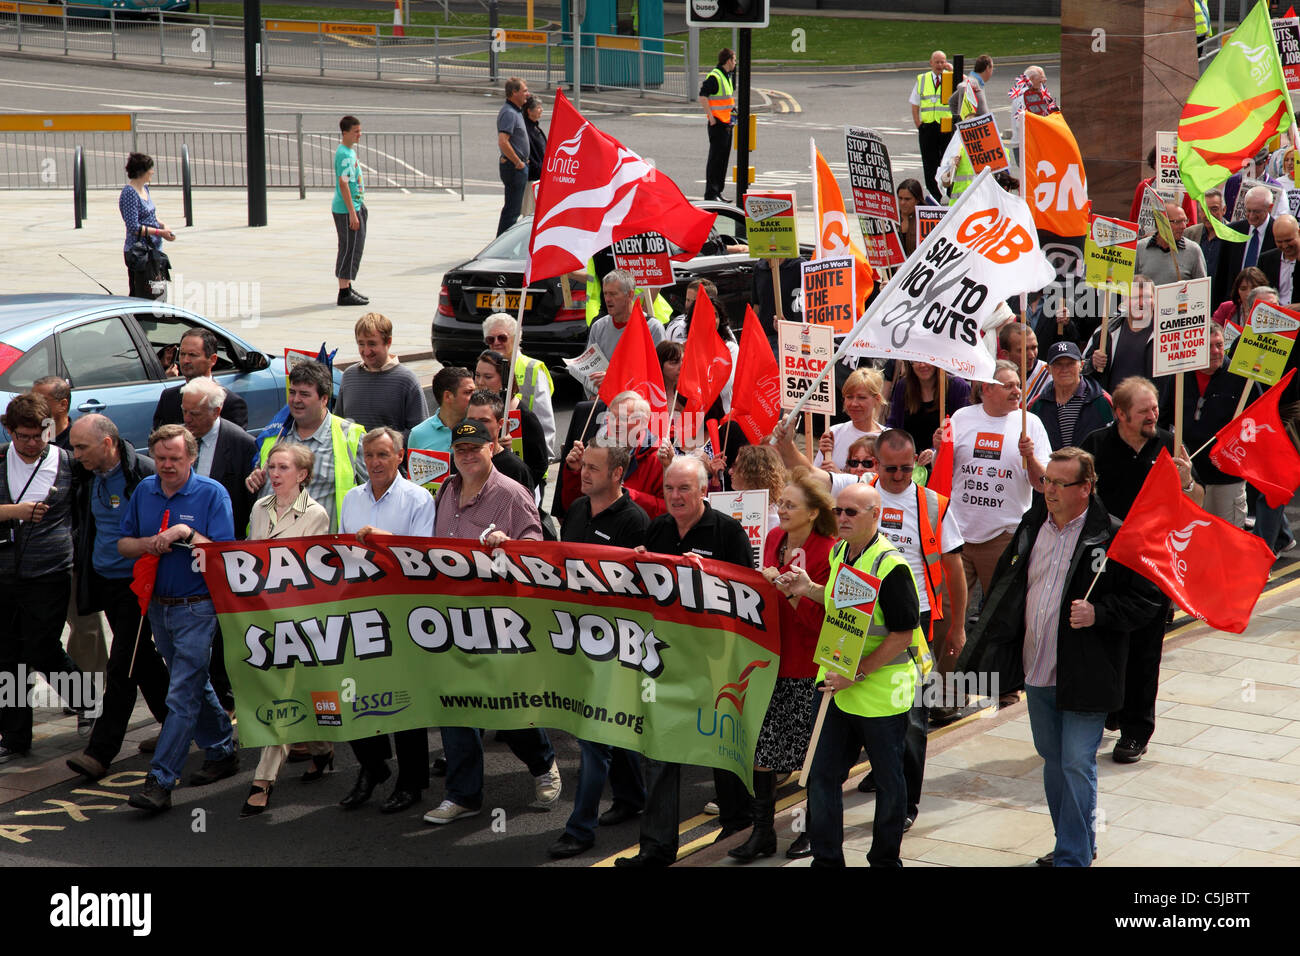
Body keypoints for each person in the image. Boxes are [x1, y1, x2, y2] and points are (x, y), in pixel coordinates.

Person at [958, 447, 1162, 866]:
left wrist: (1099, 613)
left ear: (1085, 488)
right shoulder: (1032, 526)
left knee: (1075, 762)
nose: (1048, 489)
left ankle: (1073, 857)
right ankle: (1075, 842)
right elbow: (1006, 587)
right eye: (1046, 481)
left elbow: (1148, 601)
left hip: (1087, 672)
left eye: (1059, 483)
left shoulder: (1113, 537)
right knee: (1053, 761)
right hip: (1037, 669)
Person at [772, 482, 926, 867]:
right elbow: (844, 603)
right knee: (822, 777)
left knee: (890, 783)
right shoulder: (842, 551)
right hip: (837, 688)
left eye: (851, 512)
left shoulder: (891, 565)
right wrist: (808, 588)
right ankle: (827, 860)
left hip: (879, 694)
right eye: (839, 511)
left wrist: (857, 673)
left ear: (875, 515)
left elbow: (903, 633)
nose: (841, 518)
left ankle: (885, 860)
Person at [615, 456, 756, 866]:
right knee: (660, 748)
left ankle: (739, 829)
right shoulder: (656, 529)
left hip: (715, 662)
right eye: (669, 489)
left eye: (684, 489)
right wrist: (638, 566)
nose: (675, 497)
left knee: (720, 745)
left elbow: (748, 600)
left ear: (704, 490)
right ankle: (656, 848)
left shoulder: (728, 533)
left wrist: (709, 575)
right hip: (665, 659)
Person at [424, 420, 560, 824]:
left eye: (474, 448)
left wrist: (511, 544)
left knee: (506, 709)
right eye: (460, 448)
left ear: (492, 448)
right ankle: (463, 795)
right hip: (452, 617)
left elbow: (537, 548)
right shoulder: (446, 491)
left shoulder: (512, 494)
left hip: (498, 619)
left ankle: (542, 764)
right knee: (456, 704)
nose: (466, 455)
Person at [1080, 377, 1202, 766]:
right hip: (1106, 561)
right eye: (1145, 410)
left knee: (1146, 648)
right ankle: (1111, 710)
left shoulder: (1169, 443)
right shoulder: (1095, 446)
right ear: (1120, 413)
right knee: (1106, 641)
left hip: (1153, 562)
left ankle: (1136, 730)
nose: (1154, 415)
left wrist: (1185, 482)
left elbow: (1194, 500)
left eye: (1155, 408)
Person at [121, 424, 238, 813]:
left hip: (197, 605)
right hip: (158, 605)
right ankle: (222, 748)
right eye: (161, 458)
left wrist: (186, 531)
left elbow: (223, 552)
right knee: (192, 680)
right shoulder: (144, 490)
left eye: (175, 458)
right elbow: (124, 544)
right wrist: (148, 544)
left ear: (191, 457)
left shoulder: (211, 493)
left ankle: (161, 779)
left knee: (181, 692)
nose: (167, 465)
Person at [547, 443, 651, 859]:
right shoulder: (575, 510)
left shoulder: (635, 522)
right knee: (610, 729)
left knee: (593, 735)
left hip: (616, 645)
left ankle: (580, 828)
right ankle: (632, 796)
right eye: (582, 466)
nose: (582, 473)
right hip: (576, 638)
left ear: (618, 474)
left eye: (593, 468)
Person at [728, 471, 835, 863]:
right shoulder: (774, 539)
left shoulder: (828, 550)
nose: (782, 510)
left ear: (812, 513)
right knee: (762, 750)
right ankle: (762, 833)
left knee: (810, 756)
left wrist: (791, 593)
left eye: (791, 505)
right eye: (781, 503)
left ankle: (808, 828)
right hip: (769, 660)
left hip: (807, 665)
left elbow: (820, 620)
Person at [335, 427, 439, 815]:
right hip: (361, 609)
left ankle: (412, 782)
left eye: (382, 455)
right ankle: (373, 766)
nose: (375, 463)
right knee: (357, 695)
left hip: (403, 610)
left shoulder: (418, 499)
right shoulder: (351, 498)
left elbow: (423, 559)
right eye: (369, 455)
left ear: (400, 456)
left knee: (404, 700)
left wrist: (384, 539)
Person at [65, 415, 170, 782]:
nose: (75, 455)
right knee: (143, 661)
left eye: (82, 447)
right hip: (104, 581)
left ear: (107, 444)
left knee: (123, 664)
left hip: (136, 586)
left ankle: (100, 751)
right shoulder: (85, 474)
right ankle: (180, 725)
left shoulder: (141, 473)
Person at [239, 442, 332, 817]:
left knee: (282, 694)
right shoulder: (260, 508)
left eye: (282, 468)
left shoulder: (317, 515)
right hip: (263, 616)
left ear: (302, 475)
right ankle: (323, 750)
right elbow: (248, 553)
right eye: (271, 467)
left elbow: (310, 571)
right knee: (296, 691)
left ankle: (262, 781)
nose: (274, 474)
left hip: (298, 619)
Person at [0, 393, 88, 763]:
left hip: (50, 573)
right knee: (7, 657)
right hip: (5, 575)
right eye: (24, 436)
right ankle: (15, 736)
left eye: (39, 435)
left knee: (42, 647)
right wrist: (13, 511)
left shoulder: (67, 463)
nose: (34, 443)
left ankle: (89, 702)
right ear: (9, 431)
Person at [939, 360, 1049, 599]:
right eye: (1008, 386)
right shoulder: (961, 417)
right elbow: (944, 471)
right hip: (958, 534)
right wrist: (940, 448)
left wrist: (1029, 457)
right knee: (947, 614)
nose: (1017, 391)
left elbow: (1043, 484)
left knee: (998, 617)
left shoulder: (1030, 423)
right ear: (986, 388)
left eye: (1018, 385)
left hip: (1004, 536)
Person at [33, 374, 107, 678]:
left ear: (63, 405)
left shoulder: (80, 443)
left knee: (85, 625)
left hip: (75, 549)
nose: (35, 406)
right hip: (37, 554)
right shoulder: (33, 442)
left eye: (42, 401)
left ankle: (89, 697)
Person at [247, 359, 366, 534]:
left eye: (304, 394)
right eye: (292, 392)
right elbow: (261, 475)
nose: (295, 400)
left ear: (324, 399)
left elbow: (373, 494)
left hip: (321, 551)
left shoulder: (351, 437)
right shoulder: (275, 434)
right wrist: (254, 477)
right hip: (270, 548)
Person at [1159, 325, 1254, 527]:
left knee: (1226, 543)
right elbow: (1163, 419)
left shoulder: (1242, 377)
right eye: (1207, 346)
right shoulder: (1179, 376)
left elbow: (1257, 423)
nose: (1216, 351)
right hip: (1189, 477)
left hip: (1227, 477)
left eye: (1219, 345)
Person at [560, 391, 666, 518]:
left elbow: (668, 511)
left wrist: (625, 495)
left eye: (623, 419)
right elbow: (572, 507)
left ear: (642, 424)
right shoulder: (596, 451)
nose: (615, 424)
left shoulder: (660, 459)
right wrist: (575, 473)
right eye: (611, 417)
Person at [336, 312, 429, 436]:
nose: (366, 351)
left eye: (372, 344)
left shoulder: (406, 380)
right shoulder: (349, 376)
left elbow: (419, 433)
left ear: (388, 342)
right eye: (361, 344)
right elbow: (338, 423)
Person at [482, 312, 557, 454]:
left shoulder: (532, 368)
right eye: (490, 339)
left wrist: (543, 460)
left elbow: (545, 423)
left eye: (502, 338)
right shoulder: (485, 368)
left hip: (527, 456)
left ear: (516, 338)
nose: (496, 343)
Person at [585, 269, 666, 399]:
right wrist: (592, 397)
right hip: (603, 403)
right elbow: (588, 371)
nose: (607, 299)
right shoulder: (598, 327)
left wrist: (614, 379)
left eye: (613, 294)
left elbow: (658, 374)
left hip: (639, 404)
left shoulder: (652, 328)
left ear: (630, 295)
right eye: (605, 293)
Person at [472, 354, 548, 491]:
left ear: (505, 380)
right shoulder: (472, 410)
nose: (480, 382)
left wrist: (521, 487)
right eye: (477, 375)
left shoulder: (525, 416)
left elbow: (540, 464)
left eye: (488, 377)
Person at [152, 327, 249, 431]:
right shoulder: (168, 398)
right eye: (182, 354)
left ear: (212, 359)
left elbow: (234, 444)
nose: (185, 360)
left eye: (192, 355)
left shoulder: (230, 403)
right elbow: (157, 441)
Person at [1029, 341, 1115, 451]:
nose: (1064, 369)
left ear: (1081, 366)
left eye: (1070, 363)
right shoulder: (1037, 405)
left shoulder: (1102, 401)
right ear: (1048, 369)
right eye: (1058, 364)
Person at [1083, 275, 1156, 393]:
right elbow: (1080, 368)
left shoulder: (1165, 334)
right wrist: (1092, 363)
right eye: (1136, 297)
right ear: (1124, 300)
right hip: (1112, 408)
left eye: (1147, 297)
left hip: (1151, 409)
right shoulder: (1105, 332)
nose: (1142, 303)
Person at [885, 361, 971, 461]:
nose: (922, 365)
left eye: (927, 360)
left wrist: (935, 452)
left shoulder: (958, 388)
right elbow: (894, 424)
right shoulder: (903, 386)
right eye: (916, 360)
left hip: (944, 464)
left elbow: (963, 431)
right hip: (909, 466)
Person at [119, 152, 175, 299]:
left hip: (153, 251)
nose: (153, 171)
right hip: (140, 254)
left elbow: (151, 216)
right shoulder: (129, 193)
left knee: (158, 294)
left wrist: (163, 226)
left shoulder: (145, 189)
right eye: (150, 168)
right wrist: (159, 232)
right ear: (141, 171)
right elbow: (134, 227)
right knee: (144, 295)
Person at [465, 386, 538, 495]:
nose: (476, 426)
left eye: (484, 421)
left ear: (501, 424)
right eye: (471, 420)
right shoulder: (459, 462)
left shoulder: (516, 469)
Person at [814, 367, 889, 472]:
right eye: (849, 397)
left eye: (861, 397)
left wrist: (839, 476)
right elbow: (816, 478)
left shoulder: (888, 438)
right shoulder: (833, 433)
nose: (854, 404)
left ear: (877, 399)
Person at [1213, 185, 1275, 308]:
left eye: (1256, 211)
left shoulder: (1277, 233)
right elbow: (1221, 275)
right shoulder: (1233, 231)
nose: (1251, 216)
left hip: (1266, 306)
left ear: (1270, 208)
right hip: (1234, 305)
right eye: (1248, 210)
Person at [333, 115, 369, 306]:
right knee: (349, 249)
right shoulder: (345, 155)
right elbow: (344, 184)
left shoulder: (348, 151)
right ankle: (343, 292)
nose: (359, 135)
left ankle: (347, 286)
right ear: (345, 132)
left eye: (360, 131)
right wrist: (353, 214)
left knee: (355, 248)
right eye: (355, 131)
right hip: (348, 210)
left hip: (355, 206)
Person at [910, 50, 951, 203]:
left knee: (946, 161)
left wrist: (952, 71)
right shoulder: (923, 79)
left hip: (945, 127)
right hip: (928, 127)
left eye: (943, 62)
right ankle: (935, 195)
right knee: (929, 163)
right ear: (931, 63)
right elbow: (915, 103)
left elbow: (966, 85)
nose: (940, 65)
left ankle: (947, 191)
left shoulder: (950, 78)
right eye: (937, 62)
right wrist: (918, 123)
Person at [1128, 145, 1199, 230]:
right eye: (1159, 161)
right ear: (1154, 164)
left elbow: (1191, 226)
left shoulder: (1186, 191)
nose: (1164, 166)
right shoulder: (1144, 186)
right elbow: (1133, 220)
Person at [409, 366, 475, 458]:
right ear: (448, 396)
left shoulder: (480, 425)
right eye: (468, 392)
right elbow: (414, 471)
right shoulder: (418, 434)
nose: (475, 397)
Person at [1135, 202, 1206, 286]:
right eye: (1177, 222)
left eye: (1185, 221)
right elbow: (1129, 287)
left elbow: (1202, 289)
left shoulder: (1193, 250)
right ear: (1160, 223)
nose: (1183, 226)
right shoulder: (1139, 248)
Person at [699, 48, 736, 202]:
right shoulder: (715, 76)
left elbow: (727, 100)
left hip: (727, 123)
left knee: (723, 161)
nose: (735, 63)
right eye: (734, 60)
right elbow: (703, 96)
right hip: (718, 125)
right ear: (728, 60)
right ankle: (711, 194)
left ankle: (718, 192)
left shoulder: (727, 76)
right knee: (715, 160)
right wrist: (712, 118)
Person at [496, 77, 531, 236]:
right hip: (514, 168)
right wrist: (518, 162)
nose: (527, 94)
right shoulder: (509, 113)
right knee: (512, 212)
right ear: (514, 93)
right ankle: (501, 246)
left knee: (513, 210)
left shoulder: (516, 111)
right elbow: (503, 141)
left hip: (519, 167)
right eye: (524, 91)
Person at [1007, 66, 1056, 167]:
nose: (1045, 79)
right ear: (1032, 79)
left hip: (1031, 145)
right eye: (1042, 76)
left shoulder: (1038, 94)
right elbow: (1020, 124)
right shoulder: (1025, 97)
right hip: (1026, 147)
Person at [998, 321, 1051, 406]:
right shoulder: (995, 379)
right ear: (1005, 354)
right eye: (1023, 350)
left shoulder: (1049, 374)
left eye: (1034, 348)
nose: (1031, 355)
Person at [1211, 266, 1269, 345]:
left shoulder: (1272, 312)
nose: (1248, 293)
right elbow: (1211, 334)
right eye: (1243, 289)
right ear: (1237, 290)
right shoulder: (1225, 308)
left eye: (1253, 288)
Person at [1183, 187, 1227, 286]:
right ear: (1199, 212)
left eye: (1214, 209)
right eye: (1204, 210)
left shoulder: (1233, 234)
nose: (1208, 214)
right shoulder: (1189, 234)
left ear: (1224, 210)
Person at [1258, 214, 1300, 303]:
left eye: (1289, 240)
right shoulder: (1265, 260)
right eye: (1279, 241)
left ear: (1299, 233)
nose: (1285, 246)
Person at [521, 95, 547, 217]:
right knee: (530, 213)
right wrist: (539, 168)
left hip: (539, 175)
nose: (541, 109)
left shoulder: (535, 127)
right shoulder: (526, 129)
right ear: (529, 111)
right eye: (538, 107)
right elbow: (529, 153)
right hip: (534, 177)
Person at [895, 178, 925, 257]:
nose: (902, 202)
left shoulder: (925, 218)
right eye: (900, 198)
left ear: (917, 200)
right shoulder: (891, 219)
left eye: (907, 199)